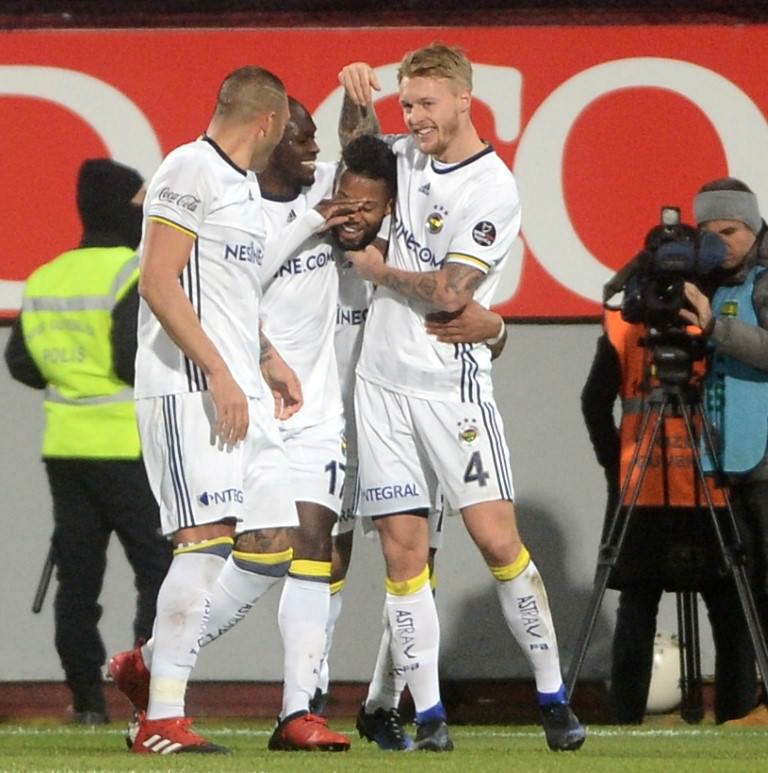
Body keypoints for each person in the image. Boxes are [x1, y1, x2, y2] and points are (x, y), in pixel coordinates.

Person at [336, 42, 586, 752]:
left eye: (427, 104)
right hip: (380, 387)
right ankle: (430, 717)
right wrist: (356, 99)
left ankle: (552, 698)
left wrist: (381, 272)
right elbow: (357, 154)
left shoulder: (492, 188)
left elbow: (449, 291)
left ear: (465, 100)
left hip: (453, 388)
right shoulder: (403, 155)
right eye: (406, 104)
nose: (414, 117)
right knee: (404, 555)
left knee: (497, 540)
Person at [107, 66, 304, 755]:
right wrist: (219, 371)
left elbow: (226, 293)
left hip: (240, 385)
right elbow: (158, 282)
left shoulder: (242, 187)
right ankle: (161, 718)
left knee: (273, 545)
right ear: (269, 121)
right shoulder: (188, 168)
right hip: (190, 387)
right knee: (206, 541)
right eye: (286, 127)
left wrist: (266, 356)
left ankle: (149, 661)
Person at [4, 159, 173, 726]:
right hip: (127, 447)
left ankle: (86, 700)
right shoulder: (131, 274)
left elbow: (21, 363)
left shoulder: (46, 277)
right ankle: (149, 690)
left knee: (77, 581)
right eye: (140, 200)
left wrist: (72, 376)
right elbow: (130, 360)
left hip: (66, 449)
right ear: (123, 207)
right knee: (158, 571)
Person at [581, 287, 757, 723]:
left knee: (641, 606)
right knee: (728, 608)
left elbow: (594, 403)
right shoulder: (717, 316)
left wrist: (616, 466)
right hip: (708, 484)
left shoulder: (625, 326)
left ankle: (625, 720)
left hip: (652, 487)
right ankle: (735, 718)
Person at [680, 177, 768, 725]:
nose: (720, 244)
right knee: (743, 587)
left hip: (765, 456)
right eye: (708, 234)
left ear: (754, 228)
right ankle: (748, 699)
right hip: (727, 450)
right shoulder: (704, 282)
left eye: (730, 231)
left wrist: (715, 327)